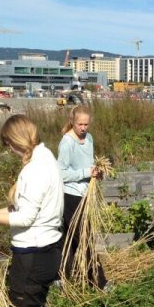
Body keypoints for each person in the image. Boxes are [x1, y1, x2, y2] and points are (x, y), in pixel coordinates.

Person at [0, 114, 64, 307]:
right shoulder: (46, 158)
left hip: (33, 254)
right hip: (47, 249)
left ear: (16, 141)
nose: (8, 150)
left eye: (8, 144)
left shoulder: (35, 170)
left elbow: (23, 218)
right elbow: (21, 207)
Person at [57, 104, 107, 289]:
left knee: (72, 241)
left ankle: (61, 277)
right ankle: (99, 281)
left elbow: (89, 164)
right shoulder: (67, 142)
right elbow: (60, 173)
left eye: (86, 124)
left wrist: (96, 173)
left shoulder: (89, 138)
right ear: (72, 122)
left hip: (86, 195)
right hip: (71, 196)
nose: (83, 128)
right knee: (84, 239)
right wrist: (86, 172)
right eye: (80, 124)